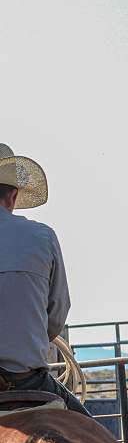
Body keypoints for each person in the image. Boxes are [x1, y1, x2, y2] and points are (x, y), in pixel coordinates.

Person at [0, 143, 90, 415]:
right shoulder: (42, 237)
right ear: (13, 195)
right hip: (26, 378)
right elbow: (57, 312)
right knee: (98, 437)